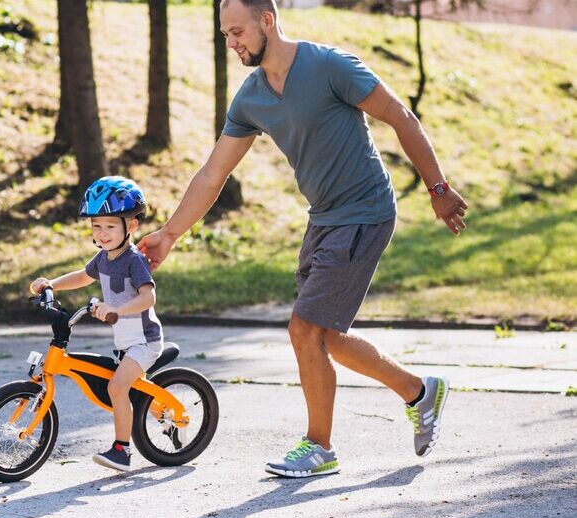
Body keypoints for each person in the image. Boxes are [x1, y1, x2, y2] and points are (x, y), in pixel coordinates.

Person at [138, 0, 467, 478]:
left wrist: (437, 188)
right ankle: (419, 391)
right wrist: (169, 233)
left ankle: (319, 446)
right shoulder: (252, 97)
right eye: (226, 35)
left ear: (267, 20)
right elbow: (213, 173)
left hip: (366, 211)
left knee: (304, 329)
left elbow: (400, 116)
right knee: (326, 336)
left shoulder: (329, 65)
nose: (232, 44)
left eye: (238, 32)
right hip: (325, 218)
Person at [30, 176, 164, 472]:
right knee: (121, 386)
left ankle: (122, 451)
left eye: (110, 226)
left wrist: (117, 308)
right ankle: (153, 413)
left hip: (146, 340)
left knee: (117, 387)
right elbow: (82, 276)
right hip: (125, 342)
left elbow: (148, 297)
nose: (102, 234)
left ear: (131, 226)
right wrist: (51, 283)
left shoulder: (133, 260)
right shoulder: (104, 258)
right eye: (96, 226)